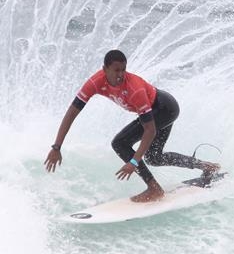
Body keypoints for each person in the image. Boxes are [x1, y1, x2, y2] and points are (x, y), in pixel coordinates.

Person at [44, 49, 219, 202]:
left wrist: (134, 161)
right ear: (105, 69)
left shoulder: (135, 89)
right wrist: (57, 146)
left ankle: (154, 189)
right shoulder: (95, 83)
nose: (120, 74)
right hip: (160, 109)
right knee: (154, 158)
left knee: (120, 143)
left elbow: (149, 130)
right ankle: (207, 166)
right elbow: (72, 113)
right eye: (116, 70)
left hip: (164, 108)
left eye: (123, 70)